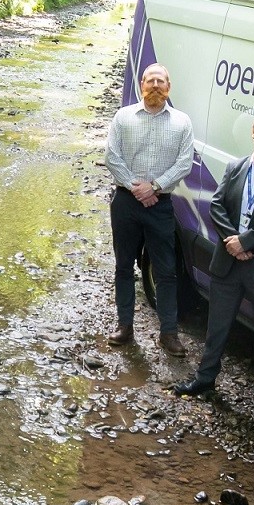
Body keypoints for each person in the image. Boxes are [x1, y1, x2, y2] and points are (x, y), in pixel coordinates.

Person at [173, 107, 254, 424]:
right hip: (229, 263)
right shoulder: (235, 167)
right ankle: (205, 379)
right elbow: (217, 205)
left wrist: (246, 242)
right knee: (216, 327)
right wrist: (233, 240)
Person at [104, 62, 196, 354]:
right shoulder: (123, 117)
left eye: (161, 81)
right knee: (123, 266)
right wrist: (136, 187)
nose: (155, 85)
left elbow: (184, 162)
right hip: (126, 203)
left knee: (167, 270)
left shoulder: (182, 122)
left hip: (160, 205)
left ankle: (168, 333)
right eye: (150, 80)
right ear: (141, 85)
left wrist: (154, 187)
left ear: (169, 88)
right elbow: (111, 156)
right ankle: (125, 326)